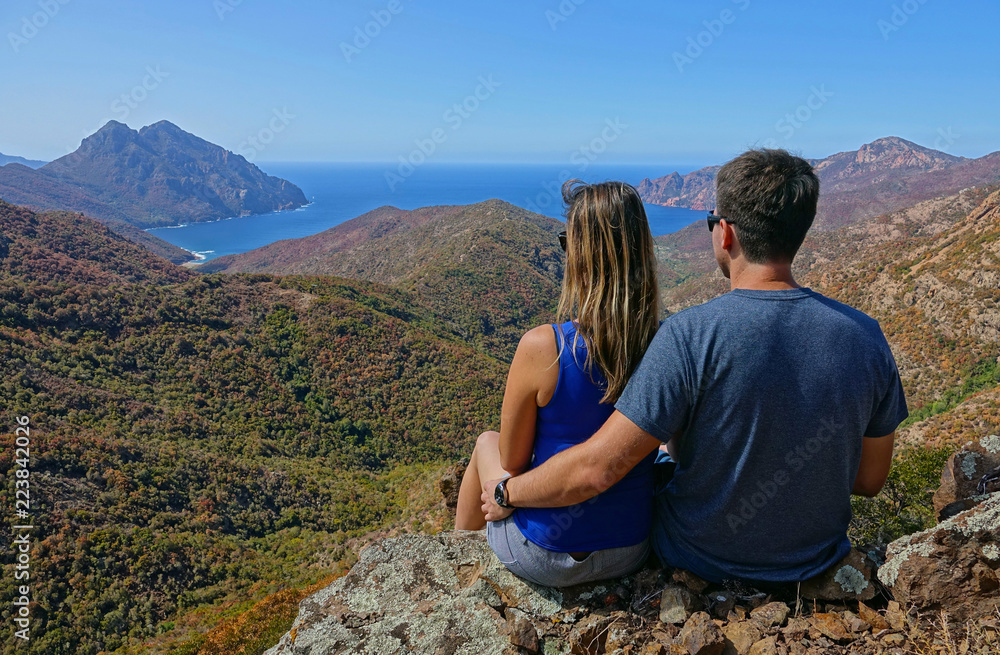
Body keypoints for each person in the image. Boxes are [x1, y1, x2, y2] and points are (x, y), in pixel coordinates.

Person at [480, 149, 908, 585]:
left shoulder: (690, 335)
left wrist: (506, 492)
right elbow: (870, 479)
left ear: (725, 233)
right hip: (814, 561)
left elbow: (598, 469)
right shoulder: (866, 336)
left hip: (699, 559)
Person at [455, 179, 661, 587]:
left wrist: (505, 494)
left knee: (485, 443)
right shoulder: (666, 344)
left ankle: (457, 560)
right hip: (630, 549)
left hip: (544, 553)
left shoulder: (545, 346)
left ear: (580, 257)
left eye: (568, 242)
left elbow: (512, 463)